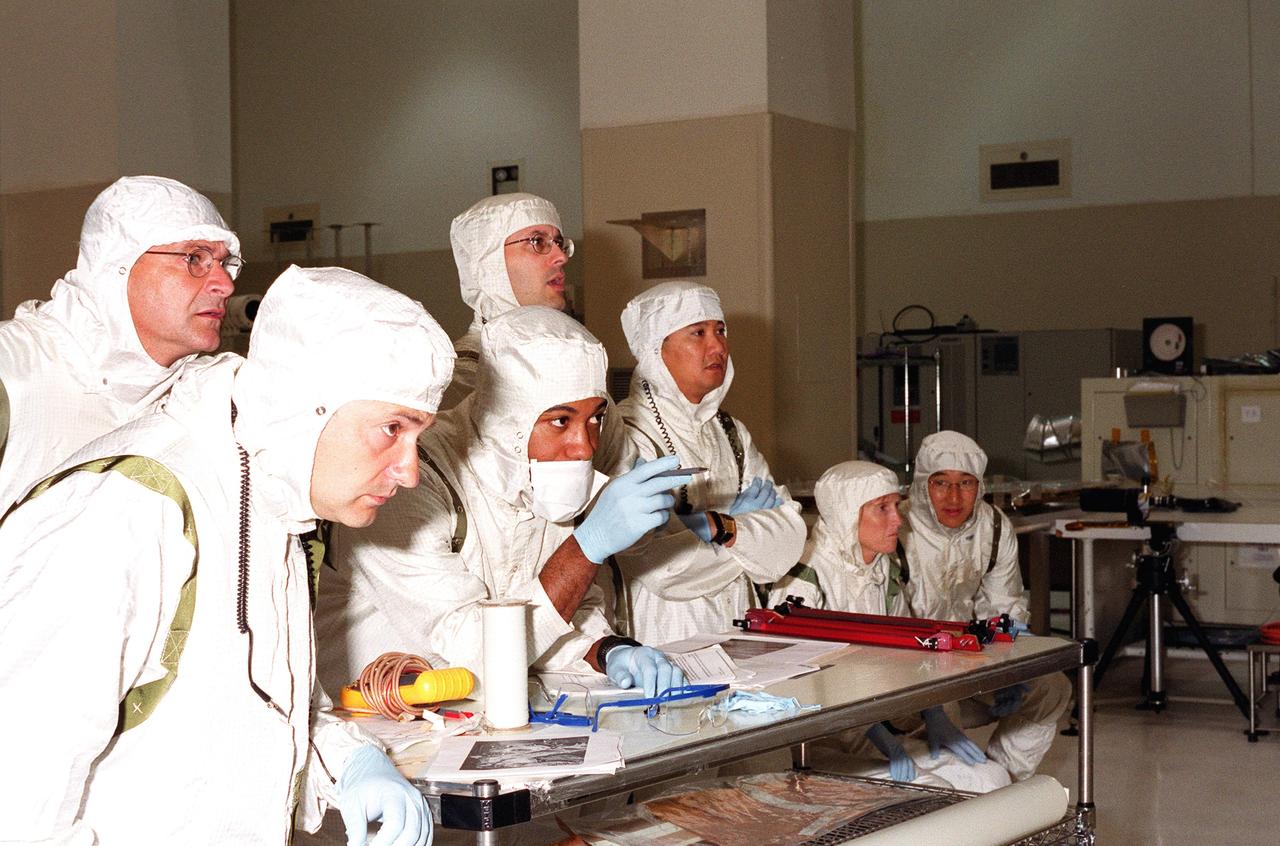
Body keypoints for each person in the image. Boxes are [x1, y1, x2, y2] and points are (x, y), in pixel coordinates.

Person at [0, 265, 454, 846]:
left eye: (417, 436)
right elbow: (18, 799)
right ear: (308, 406)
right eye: (391, 429)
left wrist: (351, 762)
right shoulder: (127, 511)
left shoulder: (273, 501)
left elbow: (256, 701)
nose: (409, 472)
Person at [317, 306, 686, 702]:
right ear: (511, 421)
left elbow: (560, 612)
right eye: (561, 421)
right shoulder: (408, 481)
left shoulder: (537, 477)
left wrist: (609, 650)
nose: (584, 447)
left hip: (479, 714)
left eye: (594, 419)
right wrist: (585, 548)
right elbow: (475, 650)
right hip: (379, 718)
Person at [0, 175, 242, 511]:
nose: (226, 285)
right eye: (194, 259)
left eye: (225, 263)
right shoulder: (11, 370)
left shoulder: (206, 397)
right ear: (116, 265)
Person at [768, 461, 1010, 794]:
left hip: (878, 726)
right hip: (818, 741)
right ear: (847, 514)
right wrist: (874, 734)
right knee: (931, 793)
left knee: (991, 779)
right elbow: (794, 690)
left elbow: (910, 654)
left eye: (896, 505)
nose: (897, 519)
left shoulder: (883, 571)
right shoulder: (804, 581)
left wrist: (933, 711)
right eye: (882, 508)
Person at [599, 280, 805, 645]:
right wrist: (742, 533)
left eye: (720, 331)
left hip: (740, 625)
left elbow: (789, 538)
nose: (718, 346)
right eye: (698, 333)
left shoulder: (731, 432)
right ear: (655, 349)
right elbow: (660, 567)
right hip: (662, 637)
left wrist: (716, 527)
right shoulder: (625, 434)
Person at [900, 430, 1072, 781]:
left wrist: (1009, 663)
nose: (954, 497)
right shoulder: (896, 530)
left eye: (966, 483)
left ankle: (1005, 780)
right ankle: (954, 792)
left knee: (1051, 688)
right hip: (910, 674)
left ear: (979, 486)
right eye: (941, 483)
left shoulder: (992, 526)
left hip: (968, 662)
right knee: (942, 713)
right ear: (921, 484)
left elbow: (1004, 605)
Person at [442, 192, 572, 409]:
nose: (562, 257)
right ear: (488, 264)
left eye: (559, 243)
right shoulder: (461, 383)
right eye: (537, 241)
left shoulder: (570, 354)